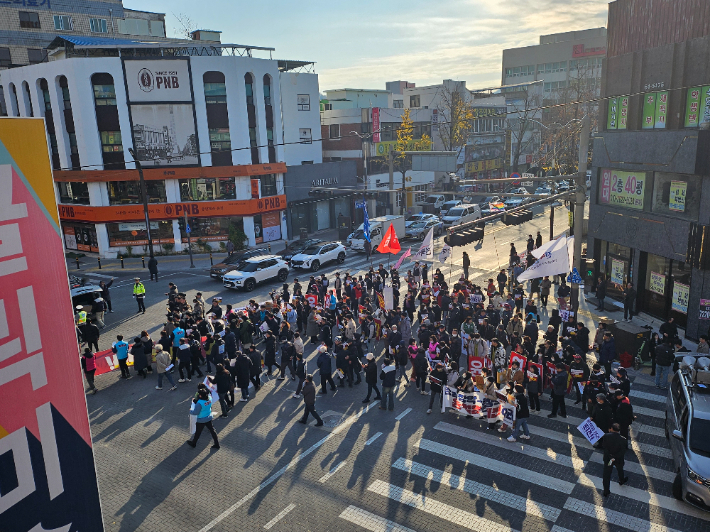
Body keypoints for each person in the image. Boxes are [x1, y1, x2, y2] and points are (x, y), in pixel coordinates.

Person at [601, 423, 628, 497]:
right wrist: (615, 457)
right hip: (618, 459)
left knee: (606, 475)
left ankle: (606, 491)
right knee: (620, 469)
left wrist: (611, 457)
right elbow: (623, 451)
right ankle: (621, 480)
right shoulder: (623, 439)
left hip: (609, 459)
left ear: (612, 429)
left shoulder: (606, 436)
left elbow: (605, 448)